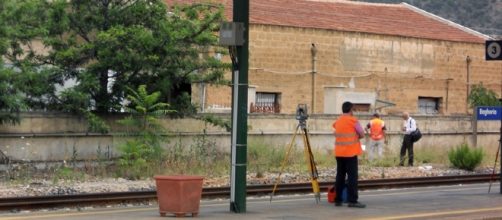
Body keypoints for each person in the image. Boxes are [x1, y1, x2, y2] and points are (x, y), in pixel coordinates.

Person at [332, 101, 366, 208]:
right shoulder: (353, 121)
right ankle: (352, 201)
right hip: (350, 153)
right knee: (352, 177)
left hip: (339, 153)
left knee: (340, 176)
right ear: (351, 110)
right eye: (353, 109)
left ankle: (338, 200)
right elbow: (362, 134)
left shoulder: (338, 121)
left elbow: (335, 133)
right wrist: (356, 136)